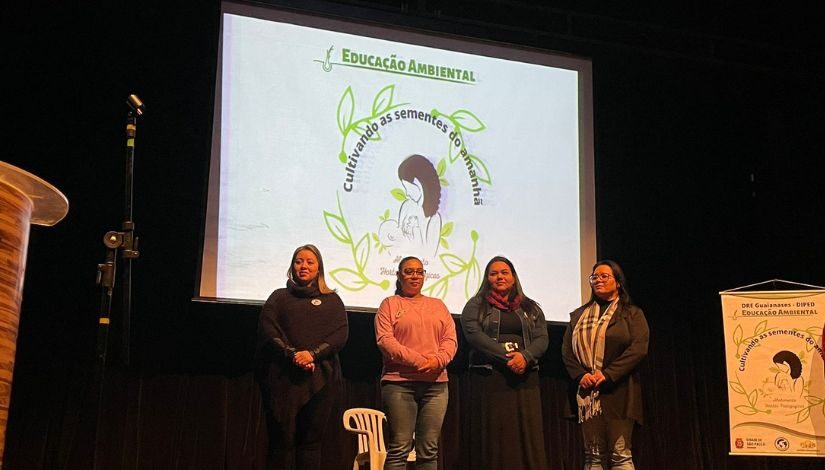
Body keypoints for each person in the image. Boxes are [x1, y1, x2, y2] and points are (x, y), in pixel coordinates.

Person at [256, 244, 348, 470]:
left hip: (321, 381)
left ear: (319, 268)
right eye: (299, 261)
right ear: (291, 266)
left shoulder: (332, 300)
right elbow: (268, 330)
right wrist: (292, 355)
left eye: (309, 262)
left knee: (310, 444)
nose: (303, 266)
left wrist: (312, 355)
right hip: (283, 380)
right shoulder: (278, 297)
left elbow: (340, 334)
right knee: (281, 443)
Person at [460, 256, 549, 470]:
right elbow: (473, 335)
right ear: (487, 278)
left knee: (526, 434)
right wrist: (508, 357)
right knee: (494, 435)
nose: (499, 277)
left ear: (513, 276)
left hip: (525, 378)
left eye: (504, 272)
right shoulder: (476, 305)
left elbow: (542, 338)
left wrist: (525, 357)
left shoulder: (531, 307)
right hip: (489, 378)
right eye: (494, 273)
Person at [562, 260, 649, 470]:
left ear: (618, 282)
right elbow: (566, 351)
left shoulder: (632, 314)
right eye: (594, 277)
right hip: (587, 392)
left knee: (621, 455)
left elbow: (638, 349)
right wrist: (580, 375)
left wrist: (608, 374)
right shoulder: (578, 315)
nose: (598, 280)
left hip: (618, 390)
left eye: (604, 276)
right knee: (593, 456)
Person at [375, 256, 458, 470]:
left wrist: (438, 361)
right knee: (400, 447)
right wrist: (420, 361)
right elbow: (386, 341)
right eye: (408, 271)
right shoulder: (390, 304)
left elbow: (450, 340)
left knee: (428, 452)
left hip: (436, 385)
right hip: (399, 383)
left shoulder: (438, 305)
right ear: (399, 276)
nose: (414, 276)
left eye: (419, 272)